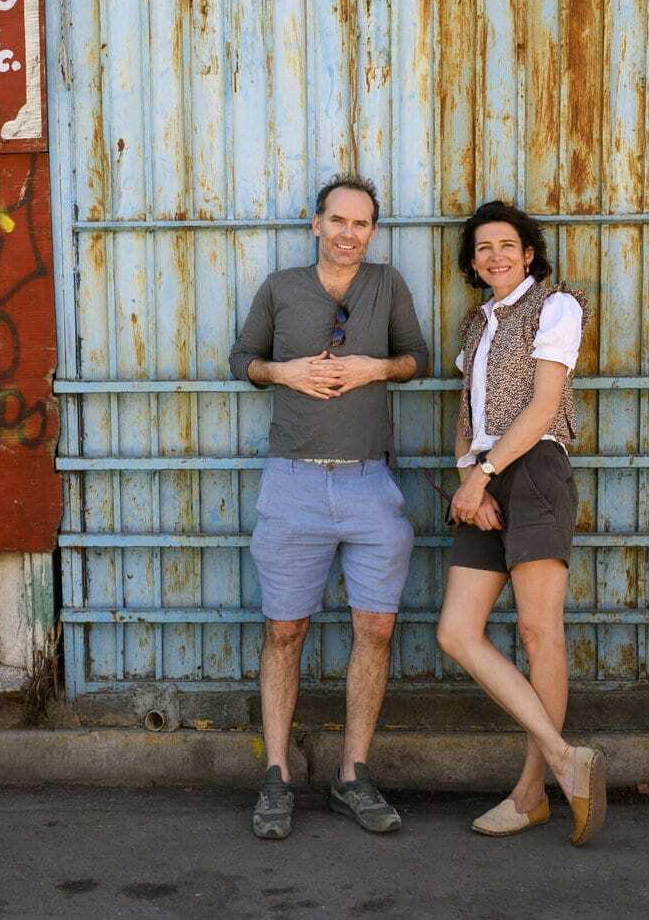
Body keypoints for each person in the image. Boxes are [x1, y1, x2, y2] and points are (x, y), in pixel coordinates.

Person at [228, 174, 429, 840]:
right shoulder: (282, 288)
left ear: (373, 230)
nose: (349, 232)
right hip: (294, 484)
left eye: (361, 223)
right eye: (337, 220)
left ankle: (353, 776)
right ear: (315, 224)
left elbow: (417, 359)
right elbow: (241, 360)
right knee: (285, 631)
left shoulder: (388, 285)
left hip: (371, 485)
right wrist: (282, 372)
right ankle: (278, 775)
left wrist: (375, 368)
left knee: (375, 629)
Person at [434, 200, 607, 846]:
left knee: (539, 633)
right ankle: (567, 758)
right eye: (483, 249)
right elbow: (466, 415)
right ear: (473, 262)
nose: (496, 257)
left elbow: (541, 408)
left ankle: (532, 792)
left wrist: (485, 472)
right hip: (482, 480)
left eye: (507, 246)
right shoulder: (475, 324)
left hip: (533, 470)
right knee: (456, 631)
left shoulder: (557, 307)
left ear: (528, 252)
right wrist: (467, 478)